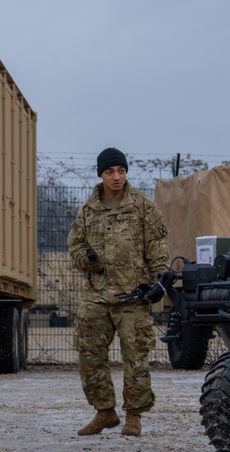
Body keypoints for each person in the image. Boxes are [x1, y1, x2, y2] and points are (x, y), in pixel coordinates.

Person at [68, 148, 170, 437]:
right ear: (101, 174)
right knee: (89, 356)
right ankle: (104, 412)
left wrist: (159, 280)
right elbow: (74, 246)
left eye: (121, 171)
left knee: (136, 358)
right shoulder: (87, 210)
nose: (116, 177)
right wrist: (85, 260)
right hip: (97, 295)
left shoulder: (142, 205)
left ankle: (134, 416)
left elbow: (158, 246)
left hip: (132, 295)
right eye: (110, 172)